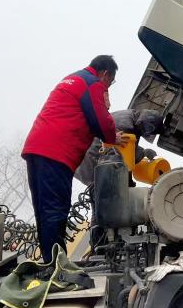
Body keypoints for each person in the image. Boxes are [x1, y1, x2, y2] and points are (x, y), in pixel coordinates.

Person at [22, 55, 124, 262]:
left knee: (43, 210)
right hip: (56, 153)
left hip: (36, 149)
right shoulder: (92, 83)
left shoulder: (72, 79)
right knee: (55, 210)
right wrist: (113, 137)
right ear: (105, 74)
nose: (108, 88)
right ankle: (58, 266)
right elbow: (100, 120)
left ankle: (50, 262)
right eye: (110, 82)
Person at [74, 109, 165, 187]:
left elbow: (126, 151)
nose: (147, 132)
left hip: (86, 158)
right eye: (149, 128)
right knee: (105, 194)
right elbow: (123, 158)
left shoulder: (131, 117)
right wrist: (143, 153)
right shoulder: (126, 126)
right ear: (146, 120)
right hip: (90, 162)